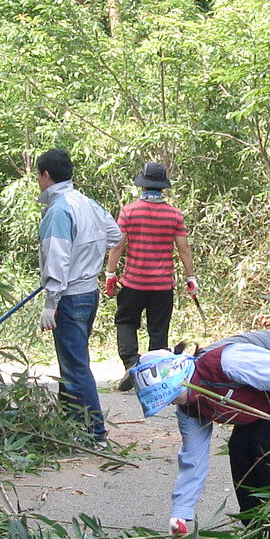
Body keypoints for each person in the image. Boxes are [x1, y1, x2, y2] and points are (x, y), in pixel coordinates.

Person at [133, 330, 270, 537]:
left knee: (263, 442)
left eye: (173, 395)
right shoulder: (188, 406)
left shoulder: (229, 362)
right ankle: (253, 524)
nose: (173, 402)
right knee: (239, 446)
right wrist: (180, 512)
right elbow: (192, 458)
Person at [34, 148, 121, 441]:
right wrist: (87, 255)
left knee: (75, 366)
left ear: (46, 176)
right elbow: (114, 235)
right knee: (72, 361)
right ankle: (70, 424)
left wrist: (50, 301)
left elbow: (57, 257)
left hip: (69, 295)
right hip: (89, 291)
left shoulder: (59, 210)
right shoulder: (87, 203)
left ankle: (94, 430)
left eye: (38, 176)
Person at [104, 161, 196, 390]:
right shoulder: (174, 215)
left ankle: (131, 364)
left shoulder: (129, 211)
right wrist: (190, 278)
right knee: (158, 330)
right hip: (162, 286)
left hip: (133, 283)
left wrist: (110, 273)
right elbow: (183, 248)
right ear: (163, 187)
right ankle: (152, 378)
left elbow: (117, 245)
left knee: (125, 322)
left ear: (142, 186)